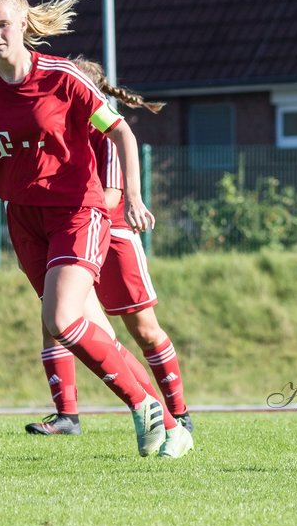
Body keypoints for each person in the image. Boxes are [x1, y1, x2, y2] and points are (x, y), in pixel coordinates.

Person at [0, 0, 193, 458]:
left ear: (25, 23)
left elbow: (121, 132)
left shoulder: (63, 77)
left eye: (2, 24)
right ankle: (170, 423)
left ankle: (147, 408)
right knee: (83, 329)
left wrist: (133, 196)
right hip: (24, 218)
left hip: (77, 210)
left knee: (60, 318)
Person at [27, 57, 193, 440]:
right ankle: (67, 415)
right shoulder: (56, 127)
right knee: (55, 318)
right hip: (70, 229)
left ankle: (178, 413)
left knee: (144, 329)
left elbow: (112, 193)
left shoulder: (106, 132)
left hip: (112, 232)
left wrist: (67, 207)